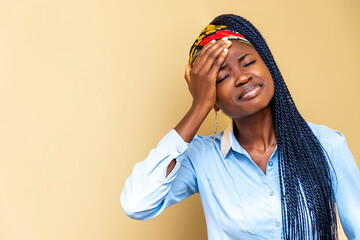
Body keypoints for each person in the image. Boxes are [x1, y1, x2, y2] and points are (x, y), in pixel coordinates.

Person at [120, 14, 360, 240]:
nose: (242, 77)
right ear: (211, 95)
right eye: (222, 77)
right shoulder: (202, 158)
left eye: (249, 62)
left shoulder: (327, 145)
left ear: (269, 66)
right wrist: (199, 107)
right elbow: (137, 203)